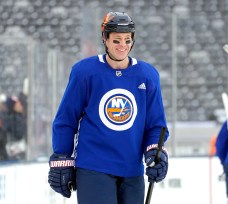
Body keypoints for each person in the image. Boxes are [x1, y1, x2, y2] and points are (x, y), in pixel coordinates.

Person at [48, 11, 169, 204]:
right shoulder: (85, 72)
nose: (123, 46)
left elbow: (156, 125)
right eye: (117, 40)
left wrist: (155, 152)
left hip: (132, 170)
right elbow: (66, 119)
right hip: (94, 167)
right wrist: (62, 157)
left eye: (127, 40)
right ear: (105, 38)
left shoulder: (147, 75)